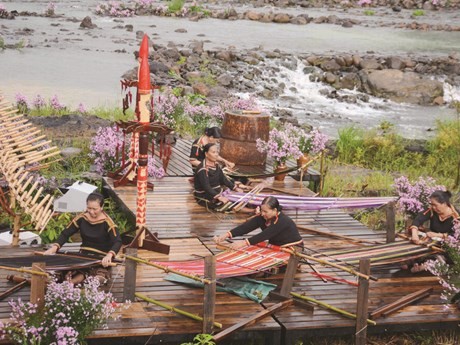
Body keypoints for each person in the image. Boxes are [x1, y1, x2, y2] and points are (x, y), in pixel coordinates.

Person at [44, 192, 122, 285]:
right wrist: (55, 247)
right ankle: (68, 282)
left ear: (101, 207)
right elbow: (66, 233)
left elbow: (117, 241)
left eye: (95, 209)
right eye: (89, 208)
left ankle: (72, 283)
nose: (91, 211)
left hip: (101, 258)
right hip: (84, 255)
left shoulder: (108, 223)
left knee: (98, 278)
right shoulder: (82, 218)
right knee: (67, 269)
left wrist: (109, 255)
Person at [213, 196, 303, 250]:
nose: (262, 214)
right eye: (261, 210)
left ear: (275, 210)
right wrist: (226, 235)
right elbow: (246, 227)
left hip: (291, 248)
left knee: (249, 248)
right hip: (275, 246)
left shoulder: (283, 221)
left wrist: (243, 243)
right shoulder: (263, 216)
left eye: (265, 211)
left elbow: (264, 235)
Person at [408, 190, 459, 272]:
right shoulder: (432, 210)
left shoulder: (456, 216)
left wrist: (438, 235)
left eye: (435, 205)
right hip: (432, 242)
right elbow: (418, 219)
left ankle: (430, 263)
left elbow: (455, 235)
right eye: (431, 205)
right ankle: (420, 262)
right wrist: (414, 233)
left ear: (445, 203)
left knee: (446, 255)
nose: (433, 207)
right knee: (415, 246)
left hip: (448, 246)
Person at [194, 143, 244, 209]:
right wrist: (219, 197)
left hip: (217, 191)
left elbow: (223, 179)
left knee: (240, 198)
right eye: (213, 152)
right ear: (206, 154)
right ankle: (251, 211)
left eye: (217, 152)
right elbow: (206, 187)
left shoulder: (216, 165)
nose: (216, 154)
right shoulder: (202, 169)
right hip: (205, 195)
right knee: (230, 204)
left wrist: (234, 188)